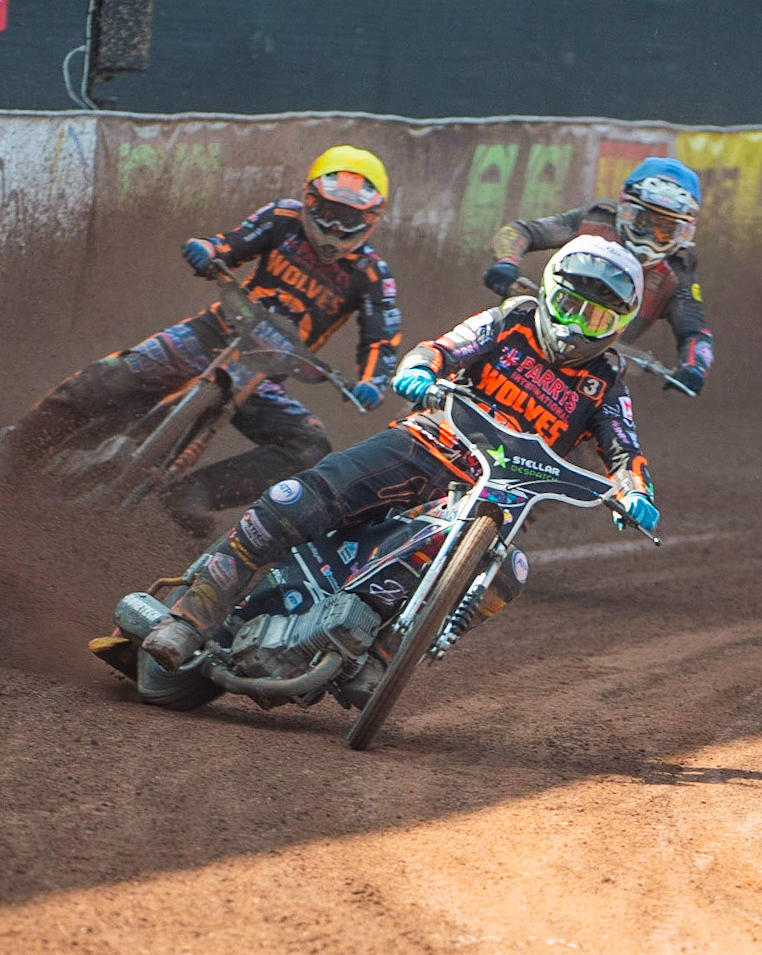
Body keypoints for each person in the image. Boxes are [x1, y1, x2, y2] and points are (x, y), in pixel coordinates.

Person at [139, 235, 659, 671]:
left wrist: (634, 492)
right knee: (293, 499)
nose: (575, 325)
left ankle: (383, 659)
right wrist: (419, 370)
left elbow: (625, 449)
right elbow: (443, 348)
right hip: (422, 445)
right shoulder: (511, 319)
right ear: (549, 294)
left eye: (594, 318)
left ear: (618, 324)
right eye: (569, 306)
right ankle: (188, 619)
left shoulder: (607, 379)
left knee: (507, 572)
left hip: (493, 498)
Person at [0, 145, 403, 535]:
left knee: (311, 445)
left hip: (265, 374)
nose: (334, 228)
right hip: (210, 333)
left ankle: (192, 493)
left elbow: (380, 340)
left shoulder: (370, 274)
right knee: (112, 375)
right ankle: (17, 448)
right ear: (309, 199)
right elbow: (232, 242)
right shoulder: (283, 218)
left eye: (348, 219)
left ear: (371, 220)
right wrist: (206, 249)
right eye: (328, 213)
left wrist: (372, 382)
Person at [481, 156, 712, 396]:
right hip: (532, 332)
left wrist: (694, 367)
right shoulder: (596, 219)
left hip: (591, 370)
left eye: (666, 230)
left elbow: (695, 332)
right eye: (643, 221)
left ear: (684, 232)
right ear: (624, 209)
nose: (652, 235)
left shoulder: (678, 271)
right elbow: (521, 231)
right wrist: (506, 263)